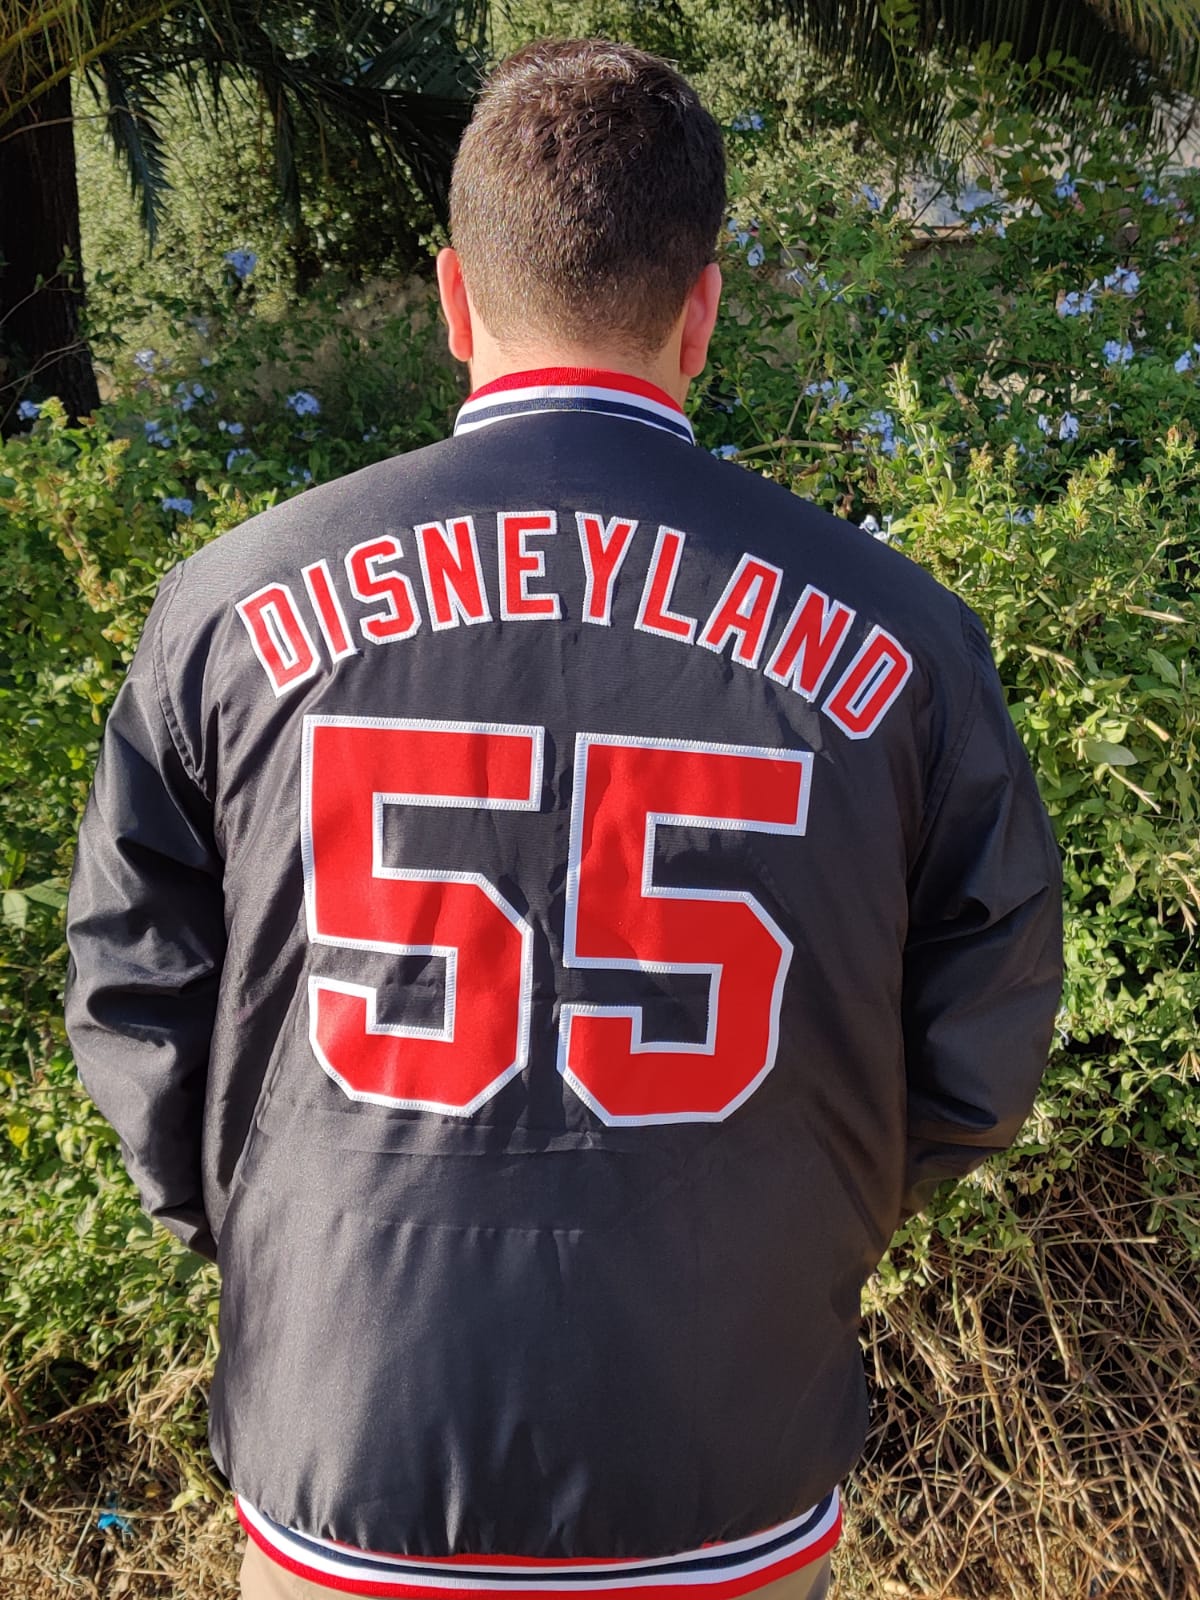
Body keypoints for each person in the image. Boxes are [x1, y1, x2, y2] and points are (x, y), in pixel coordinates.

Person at [64, 38, 1063, 1600]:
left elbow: (135, 995)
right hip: (721, 1458)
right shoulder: (901, 635)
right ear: (705, 311)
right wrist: (797, 1221)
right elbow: (982, 1038)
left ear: (455, 299)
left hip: (349, 1451)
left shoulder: (230, 609)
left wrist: (276, 1235)